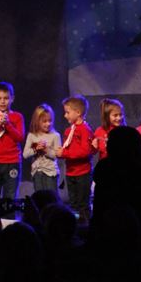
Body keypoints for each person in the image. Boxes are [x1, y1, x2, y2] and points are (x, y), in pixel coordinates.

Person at [58, 94, 96, 222]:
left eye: (67, 112)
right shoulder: (69, 131)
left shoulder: (85, 130)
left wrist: (65, 153)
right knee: (73, 204)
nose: (65, 115)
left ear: (78, 112)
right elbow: (68, 149)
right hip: (70, 172)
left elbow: (85, 151)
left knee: (82, 204)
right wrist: (60, 152)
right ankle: (75, 225)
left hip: (82, 173)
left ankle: (86, 227)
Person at [23, 104, 62, 193]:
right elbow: (25, 154)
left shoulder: (55, 136)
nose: (48, 124)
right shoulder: (32, 135)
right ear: (37, 121)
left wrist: (46, 150)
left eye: (50, 120)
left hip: (51, 173)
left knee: (51, 197)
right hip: (37, 172)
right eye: (44, 121)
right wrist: (36, 149)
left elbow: (57, 155)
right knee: (39, 197)